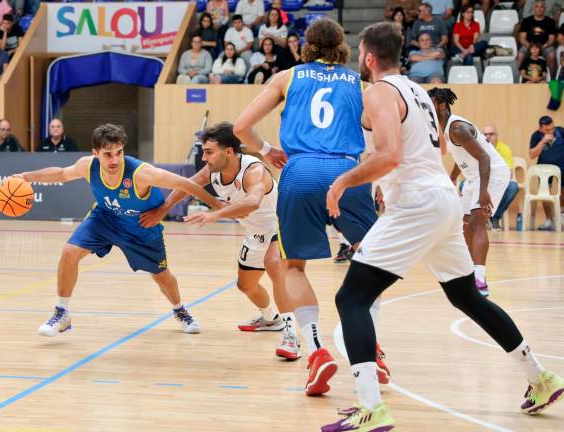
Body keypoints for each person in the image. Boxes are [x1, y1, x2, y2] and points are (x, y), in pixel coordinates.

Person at [322, 22, 564, 431]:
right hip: (442, 201)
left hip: (416, 203)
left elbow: (391, 155)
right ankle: (540, 377)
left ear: (367, 56)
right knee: (467, 297)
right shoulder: (416, 89)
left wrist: (343, 181)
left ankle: (370, 406)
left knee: (352, 299)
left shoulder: (380, 91)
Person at [232, 18, 387, 396]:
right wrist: (378, 179)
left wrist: (268, 150)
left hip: (300, 171)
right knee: (373, 261)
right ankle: (372, 348)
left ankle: (317, 351)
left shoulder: (287, 77)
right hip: (348, 172)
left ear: (307, 45)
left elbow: (241, 127)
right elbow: (380, 138)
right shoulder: (360, 83)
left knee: (292, 265)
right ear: (343, 47)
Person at [13, 124, 224, 337]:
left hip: (141, 225)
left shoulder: (141, 173)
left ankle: (180, 310)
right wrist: (27, 176)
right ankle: (62, 313)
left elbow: (188, 184)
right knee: (69, 252)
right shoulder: (87, 166)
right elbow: (61, 174)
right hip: (106, 218)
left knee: (161, 276)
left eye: (119, 153)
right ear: (95, 154)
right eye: (108, 154)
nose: (114, 160)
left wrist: (219, 208)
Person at [141, 122, 304, 360]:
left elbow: (253, 202)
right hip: (254, 232)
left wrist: (215, 214)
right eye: (203, 151)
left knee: (273, 264)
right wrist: (163, 210)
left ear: (228, 152)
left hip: (280, 223)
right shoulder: (212, 171)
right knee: (245, 286)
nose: (204, 157)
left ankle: (291, 337)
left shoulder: (253, 170)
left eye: (209, 152)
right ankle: (271, 319)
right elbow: (185, 185)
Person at [429, 87, 510, 297]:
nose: (427, 106)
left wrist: (484, 192)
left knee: (477, 221)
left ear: (442, 105)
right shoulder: (445, 127)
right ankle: (468, 272)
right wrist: (454, 176)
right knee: (463, 224)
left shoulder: (456, 128)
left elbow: (484, 158)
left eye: (430, 102)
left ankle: (480, 279)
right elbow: (463, 155)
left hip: (493, 174)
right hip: (475, 177)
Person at [529, 115, 564, 230]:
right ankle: (549, 220)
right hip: (544, 168)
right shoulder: (536, 136)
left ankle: (561, 215)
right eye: (547, 130)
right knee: (545, 192)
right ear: (541, 129)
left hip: (562, 166)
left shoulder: (561, 132)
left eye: (552, 128)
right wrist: (542, 142)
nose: (551, 132)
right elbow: (532, 155)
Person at [483, 124, 520, 230]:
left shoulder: (505, 149)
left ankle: (495, 217)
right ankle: (478, 218)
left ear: (497, 135)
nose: (488, 136)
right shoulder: (477, 147)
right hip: (482, 181)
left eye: (491, 134)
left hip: (499, 182)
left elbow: (509, 173)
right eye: (485, 134)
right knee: (463, 185)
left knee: (513, 187)